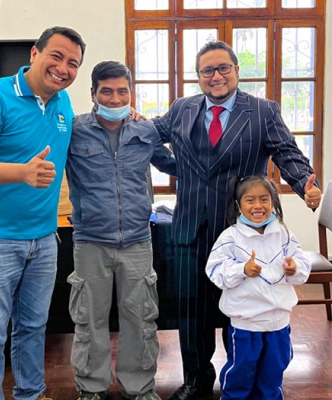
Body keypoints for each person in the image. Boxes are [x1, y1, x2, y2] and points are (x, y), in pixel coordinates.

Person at [152, 40, 321, 400]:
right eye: (207, 71)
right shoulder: (182, 109)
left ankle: (241, 381)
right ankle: (196, 381)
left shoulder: (262, 111)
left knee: (244, 313)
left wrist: (306, 183)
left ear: (236, 70)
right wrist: (175, 166)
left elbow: (287, 153)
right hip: (189, 229)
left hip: (243, 232)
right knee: (191, 315)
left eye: (223, 68)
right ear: (198, 77)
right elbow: (148, 138)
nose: (216, 76)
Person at [0, 26, 86, 400]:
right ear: (35, 53)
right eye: (57, 56)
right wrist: (21, 171)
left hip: (43, 239)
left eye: (73, 63)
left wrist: (128, 115)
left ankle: (30, 394)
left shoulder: (63, 103)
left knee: (33, 326)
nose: (63, 68)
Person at [65, 61, 176, 400]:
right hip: (90, 242)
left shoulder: (145, 131)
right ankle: (91, 388)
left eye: (122, 91)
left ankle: (140, 389)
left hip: (137, 242)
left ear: (131, 93)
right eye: (107, 92)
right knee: (89, 321)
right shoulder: (73, 130)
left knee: (141, 319)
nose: (115, 99)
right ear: (93, 94)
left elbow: (174, 164)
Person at [206, 176, 310, 400]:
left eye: (264, 199)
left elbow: (302, 264)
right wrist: (242, 269)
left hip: (278, 322)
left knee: (274, 369)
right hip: (246, 324)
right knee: (241, 371)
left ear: (272, 202)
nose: (258, 206)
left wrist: (294, 268)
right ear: (238, 205)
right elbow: (214, 270)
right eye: (250, 200)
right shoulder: (230, 237)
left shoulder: (284, 235)